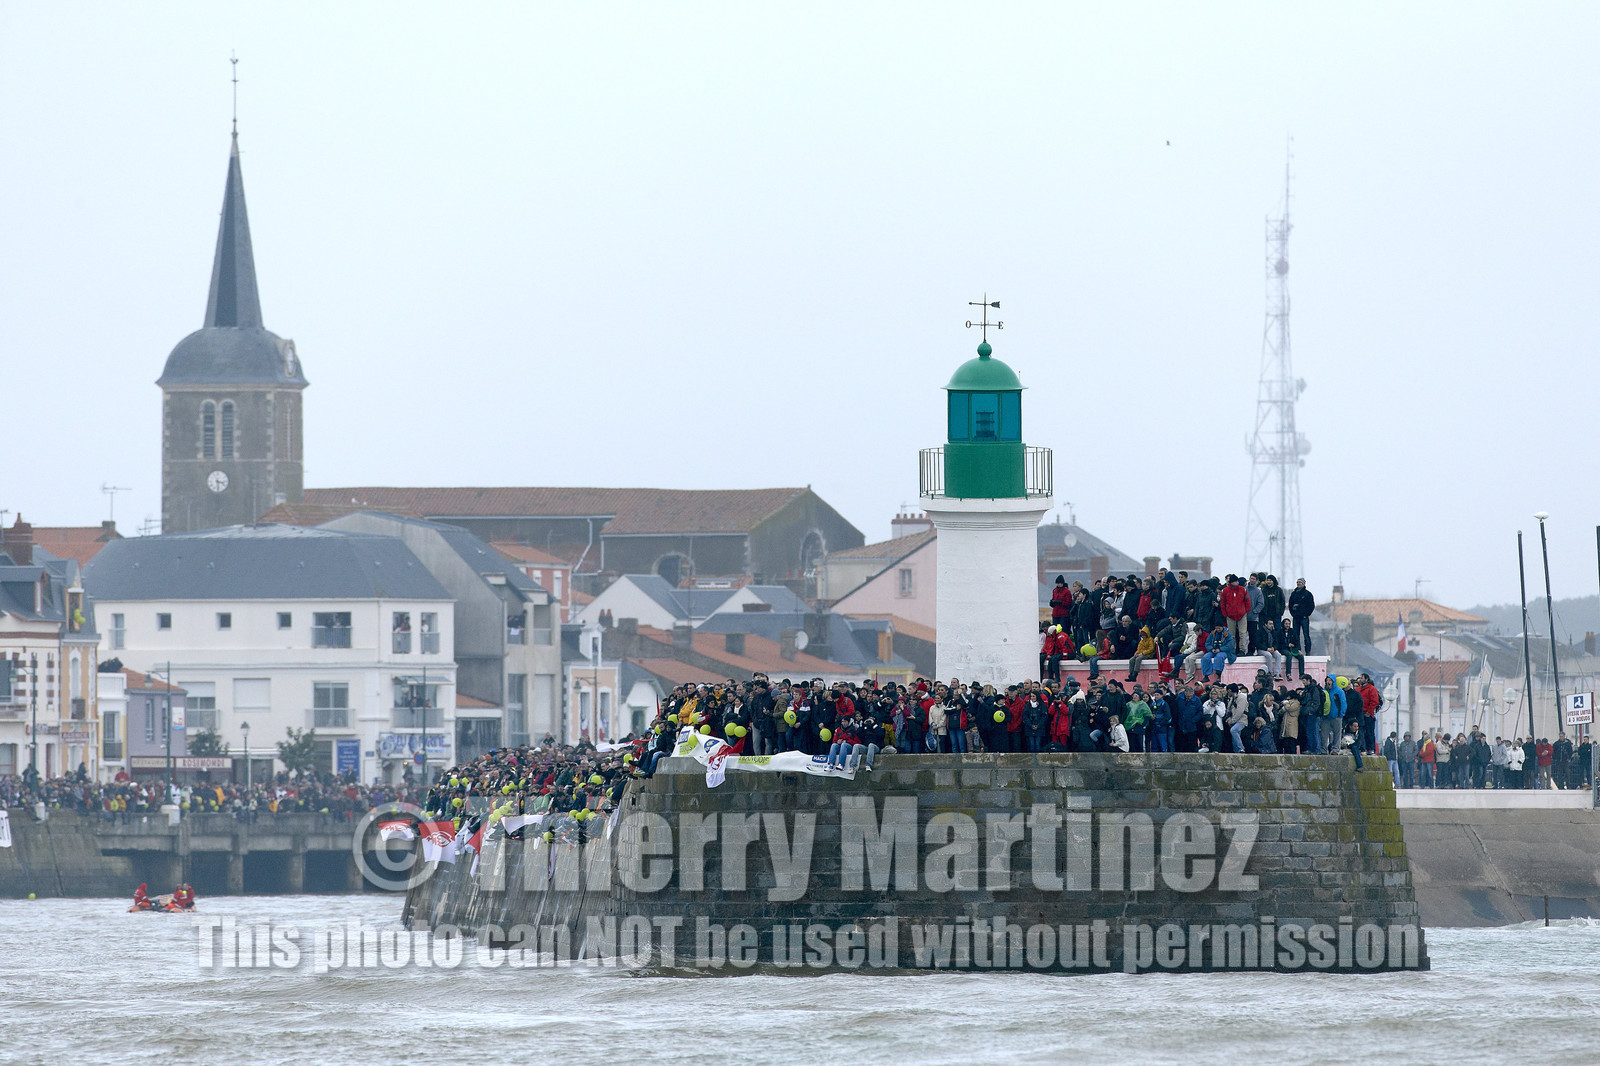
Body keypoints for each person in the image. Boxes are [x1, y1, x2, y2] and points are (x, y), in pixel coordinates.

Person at [1288, 578, 1316, 655]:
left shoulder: (1308, 594)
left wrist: (1306, 614)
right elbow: (1290, 605)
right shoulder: (1293, 594)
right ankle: (1297, 650)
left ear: (1303, 584)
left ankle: (1308, 651)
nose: (1298, 584)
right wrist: (1293, 614)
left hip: (1304, 618)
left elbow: (1311, 606)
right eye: (1297, 582)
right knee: (1296, 635)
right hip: (1296, 618)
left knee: (1306, 635)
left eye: (1300, 582)